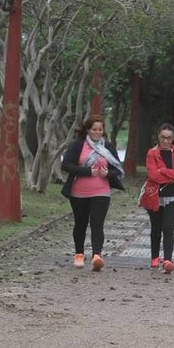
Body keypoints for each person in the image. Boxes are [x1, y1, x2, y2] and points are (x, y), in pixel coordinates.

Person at [60, 114, 125, 271]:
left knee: (97, 223)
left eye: (100, 130)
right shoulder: (78, 145)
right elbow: (66, 165)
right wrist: (87, 171)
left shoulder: (107, 147)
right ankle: (79, 254)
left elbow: (116, 169)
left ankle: (97, 255)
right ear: (88, 130)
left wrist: (107, 174)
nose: (97, 132)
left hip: (101, 192)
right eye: (94, 129)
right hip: (79, 192)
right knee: (80, 224)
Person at [138, 123, 174, 274]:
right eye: (163, 137)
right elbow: (153, 176)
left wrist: (164, 171)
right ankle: (155, 257)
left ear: (173, 138)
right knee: (156, 228)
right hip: (155, 197)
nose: (166, 141)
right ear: (158, 137)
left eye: (169, 138)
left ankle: (167, 260)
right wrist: (173, 173)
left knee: (168, 228)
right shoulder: (151, 153)